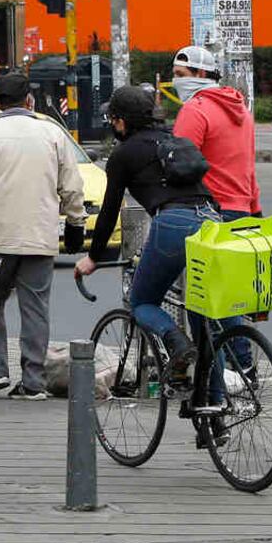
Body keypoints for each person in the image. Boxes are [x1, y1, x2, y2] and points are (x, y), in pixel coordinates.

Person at [75, 87, 240, 439]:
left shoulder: (124, 153)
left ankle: (176, 343)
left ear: (120, 121)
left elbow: (108, 211)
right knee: (204, 318)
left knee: (142, 301)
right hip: (213, 223)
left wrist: (92, 257)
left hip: (173, 225)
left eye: (112, 119)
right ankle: (214, 413)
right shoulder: (177, 141)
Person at [0, 73, 86, 400]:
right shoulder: (52, 133)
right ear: (29, 101)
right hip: (39, 238)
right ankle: (33, 382)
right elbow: (71, 185)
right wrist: (76, 222)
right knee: (35, 308)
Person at [171, 46, 261, 221]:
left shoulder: (194, 110)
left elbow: (180, 165)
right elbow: (248, 166)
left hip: (207, 210)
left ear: (201, 74)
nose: (176, 81)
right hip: (242, 210)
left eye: (181, 75)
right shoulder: (241, 109)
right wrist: (255, 209)